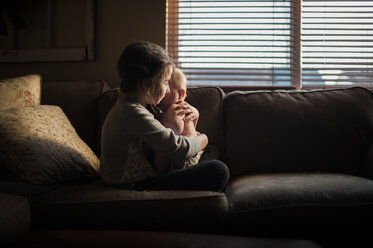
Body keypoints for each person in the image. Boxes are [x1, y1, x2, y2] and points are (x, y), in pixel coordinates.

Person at [100, 41, 229, 192]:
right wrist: (203, 139)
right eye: (166, 82)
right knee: (219, 170)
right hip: (133, 185)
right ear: (146, 84)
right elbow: (179, 149)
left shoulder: (133, 107)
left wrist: (194, 115)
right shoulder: (132, 113)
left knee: (212, 151)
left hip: (145, 178)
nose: (168, 89)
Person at [156, 68, 204, 170]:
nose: (161, 93)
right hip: (191, 153)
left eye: (166, 87)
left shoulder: (176, 109)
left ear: (181, 94)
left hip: (185, 158)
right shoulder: (185, 108)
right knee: (212, 152)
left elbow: (174, 133)